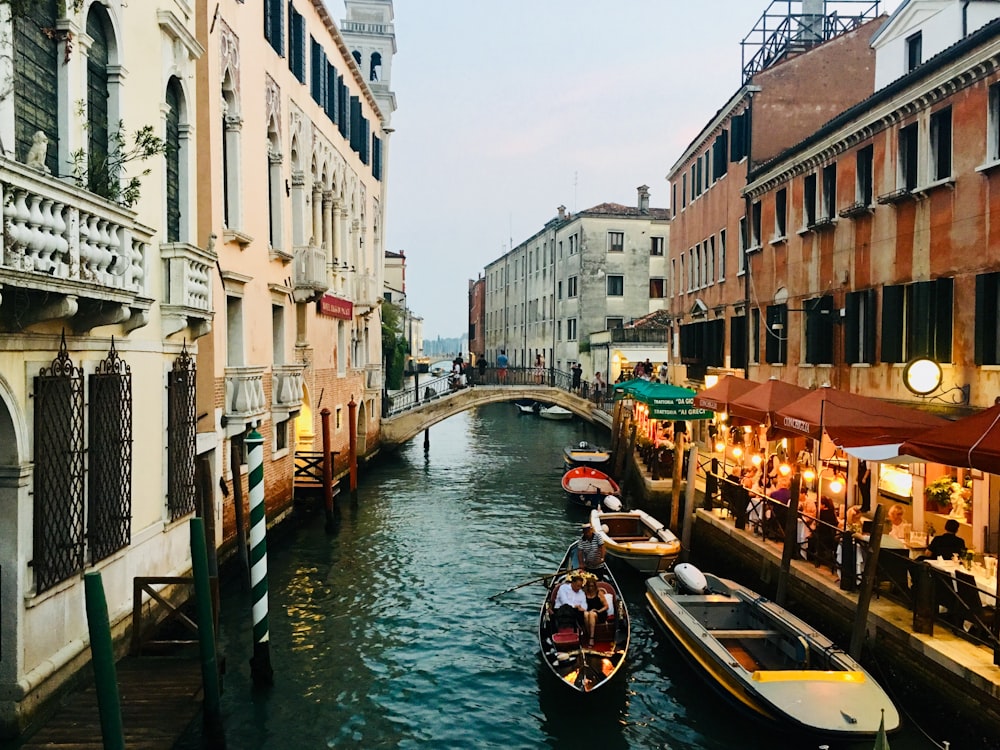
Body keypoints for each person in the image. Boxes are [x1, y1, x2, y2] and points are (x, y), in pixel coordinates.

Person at [582, 578, 608, 647]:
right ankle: (589, 634)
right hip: (588, 612)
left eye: (592, 586)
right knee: (586, 614)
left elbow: (606, 606)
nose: (591, 588)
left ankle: (591, 638)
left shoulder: (599, 593)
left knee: (591, 614)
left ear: (595, 586)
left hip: (599, 613)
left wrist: (598, 611)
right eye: (589, 586)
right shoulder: (584, 593)